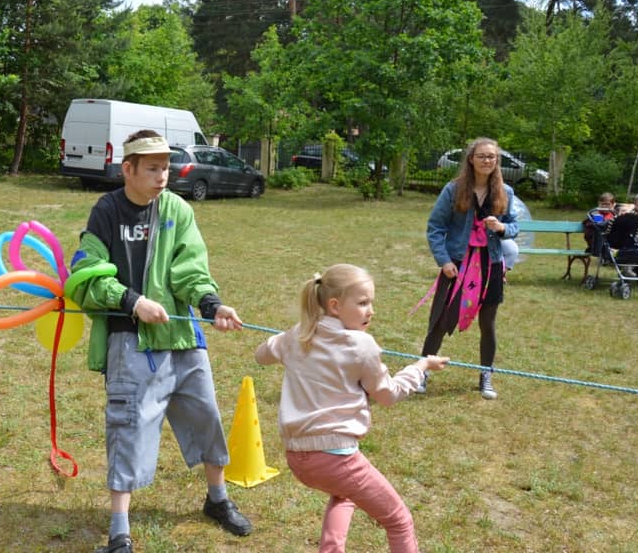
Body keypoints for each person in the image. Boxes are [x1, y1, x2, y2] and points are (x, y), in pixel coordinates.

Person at [67, 130, 252, 553]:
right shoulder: (106, 212)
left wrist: (211, 305)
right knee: (128, 429)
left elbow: (191, 269)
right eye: (152, 168)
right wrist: (132, 302)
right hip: (130, 342)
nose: (162, 175)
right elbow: (84, 277)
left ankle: (217, 500)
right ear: (127, 169)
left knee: (207, 417)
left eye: (166, 167)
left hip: (183, 337)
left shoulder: (177, 210)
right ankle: (119, 531)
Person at [255, 264, 448, 553]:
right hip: (336, 460)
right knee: (399, 520)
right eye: (362, 303)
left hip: (298, 458)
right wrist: (420, 366)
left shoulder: (298, 334)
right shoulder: (362, 345)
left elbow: (261, 356)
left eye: (371, 302)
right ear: (334, 306)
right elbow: (388, 395)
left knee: (344, 496)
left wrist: (290, 338)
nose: (370, 311)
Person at [419, 138, 518, 400]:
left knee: (488, 323)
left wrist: (502, 228)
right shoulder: (453, 190)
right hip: (458, 264)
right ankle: (421, 372)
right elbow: (435, 227)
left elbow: (515, 227)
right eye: (482, 156)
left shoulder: (505, 192)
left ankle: (486, 376)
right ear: (471, 159)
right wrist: (444, 261)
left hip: (491, 265)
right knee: (440, 320)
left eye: (492, 157)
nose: (487, 161)